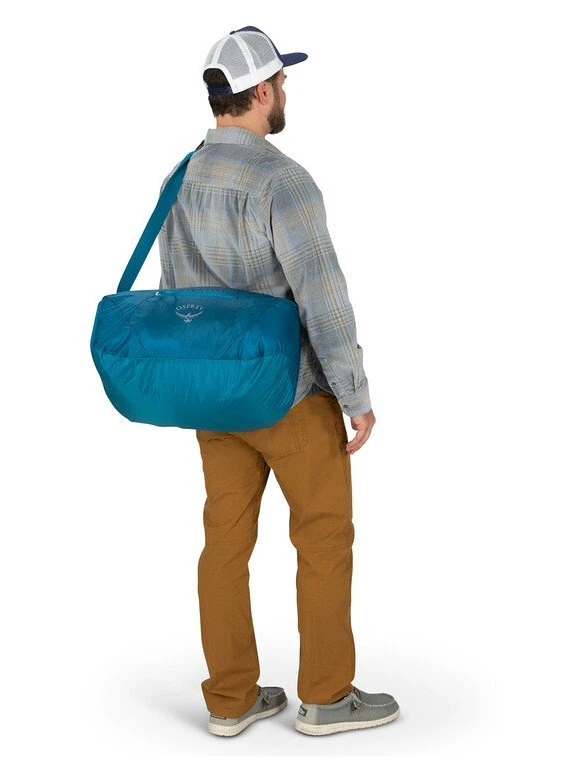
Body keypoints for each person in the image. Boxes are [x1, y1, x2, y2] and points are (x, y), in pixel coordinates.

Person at [158, 25, 400, 737]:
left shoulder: (179, 177)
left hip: (214, 398)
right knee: (322, 538)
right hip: (289, 398)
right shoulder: (282, 182)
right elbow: (323, 299)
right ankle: (325, 697)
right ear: (261, 90)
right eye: (283, 81)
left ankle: (230, 699)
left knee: (223, 544)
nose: (287, 90)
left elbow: (175, 294)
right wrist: (355, 395)